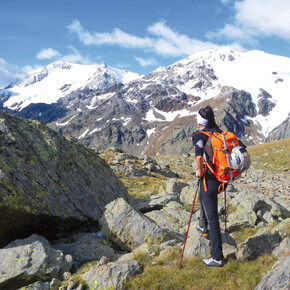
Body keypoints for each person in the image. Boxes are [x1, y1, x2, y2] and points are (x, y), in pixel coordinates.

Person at [191, 105, 224, 268]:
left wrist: (200, 170)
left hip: (209, 178)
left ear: (200, 121)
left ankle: (217, 257)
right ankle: (202, 224)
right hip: (220, 177)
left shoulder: (200, 135)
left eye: (197, 117)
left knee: (214, 219)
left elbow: (198, 155)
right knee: (203, 197)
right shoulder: (217, 132)